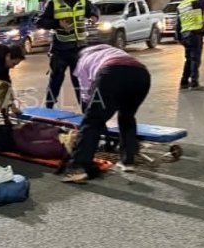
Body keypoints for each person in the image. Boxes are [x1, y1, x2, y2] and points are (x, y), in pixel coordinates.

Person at [61, 45, 151, 183]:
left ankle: (79, 168)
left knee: (92, 122)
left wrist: (89, 117)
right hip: (141, 75)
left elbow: (86, 95)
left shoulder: (81, 61)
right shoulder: (110, 50)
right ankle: (128, 162)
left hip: (111, 73)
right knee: (127, 116)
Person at [36, 0, 100, 109]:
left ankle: (85, 111)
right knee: (55, 81)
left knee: (80, 82)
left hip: (79, 49)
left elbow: (94, 10)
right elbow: (40, 22)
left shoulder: (83, 1)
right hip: (60, 49)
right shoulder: (54, 3)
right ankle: (49, 109)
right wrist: (57, 23)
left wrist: (94, 16)